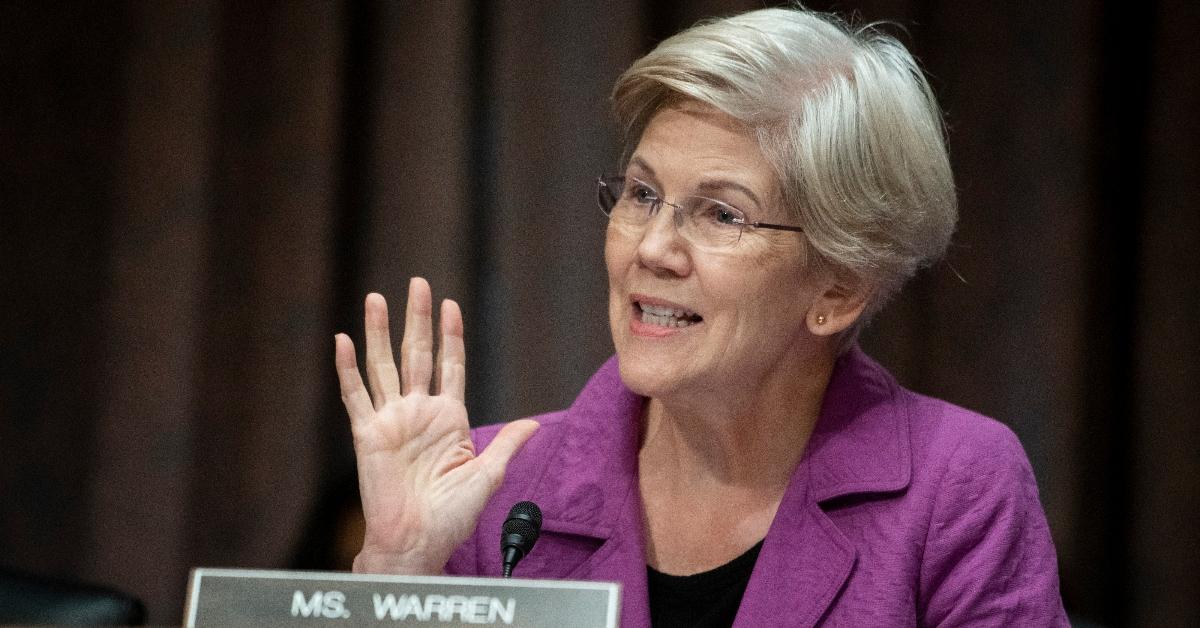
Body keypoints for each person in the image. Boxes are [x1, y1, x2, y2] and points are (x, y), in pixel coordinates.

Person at [334, 6, 1068, 627]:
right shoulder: (493, 492)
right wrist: (396, 571)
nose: (652, 249)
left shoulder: (955, 488)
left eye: (721, 214)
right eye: (642, 195)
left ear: (838, 289)